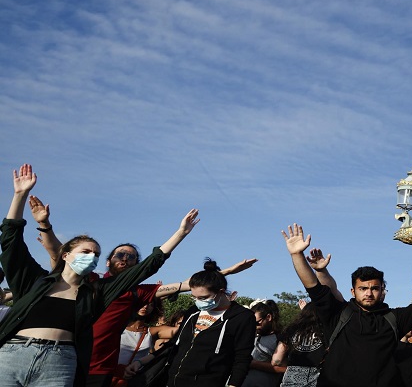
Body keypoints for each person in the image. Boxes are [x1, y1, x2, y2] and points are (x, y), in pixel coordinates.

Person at [0, 163, 200, 386]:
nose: (91, 257)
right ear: (65, 255)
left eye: (95, 254)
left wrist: (180, 233)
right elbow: (10, 243)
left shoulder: (98, 291)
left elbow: (150, 265)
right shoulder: (35, 281)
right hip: (14, 353)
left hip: (60, 361)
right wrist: (19, 195)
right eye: (85, 252)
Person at [31, 194, 257, 387]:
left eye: (132, 257)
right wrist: (45, 225)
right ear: (107, 261)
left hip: (100, 367)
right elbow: (58, 254)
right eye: (120, 254)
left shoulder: (138, 292)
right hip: (64, 358)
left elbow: (190, 285)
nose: (126, 259)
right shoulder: (89, 280)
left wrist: (225, 272)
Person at [281, 223, 412, 387]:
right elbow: (312, 285)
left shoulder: (395, 318)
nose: (369, 293)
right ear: (353, 291)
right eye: (363, 289)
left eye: (374, 288)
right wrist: (296, 254)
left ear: (382, 290)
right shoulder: (338, 314)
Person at [128, 259, 256, 387]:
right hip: (171, 381)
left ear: (221, 292)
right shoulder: (194, 311)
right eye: (194, 297)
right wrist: (141, 362)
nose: (198, 301)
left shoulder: (242, 317)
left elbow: (242, 358)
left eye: (203, 298)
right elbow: (174, 344)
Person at [276, 302, 324, 387]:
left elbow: (277, 360)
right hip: (317, 379)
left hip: (291, 380)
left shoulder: (290, 329)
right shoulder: (326, 331)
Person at [241, 299, 284, 387]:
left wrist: (254, 364)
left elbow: (284, 369)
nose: (255, 327)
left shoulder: (282, 339)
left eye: (257, 323)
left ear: (268, 317)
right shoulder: (250, 335)